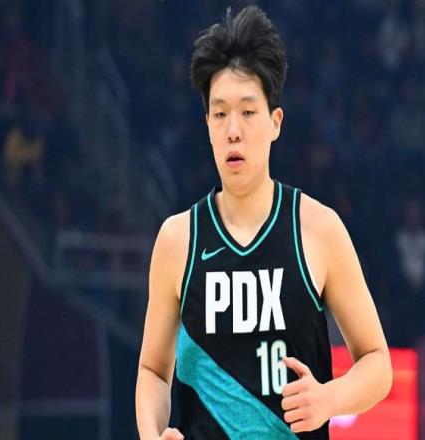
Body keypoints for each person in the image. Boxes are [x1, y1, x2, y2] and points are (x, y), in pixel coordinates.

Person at [135, 6, 392, 440]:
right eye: (220, 114)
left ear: (275, 122)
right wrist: (151, 433)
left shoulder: (318, 229)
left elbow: (378, 363)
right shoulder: (178, 239)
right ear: (207, 125)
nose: (233, 130)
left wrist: (330, 399)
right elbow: (153, 372)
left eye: (248, 112)